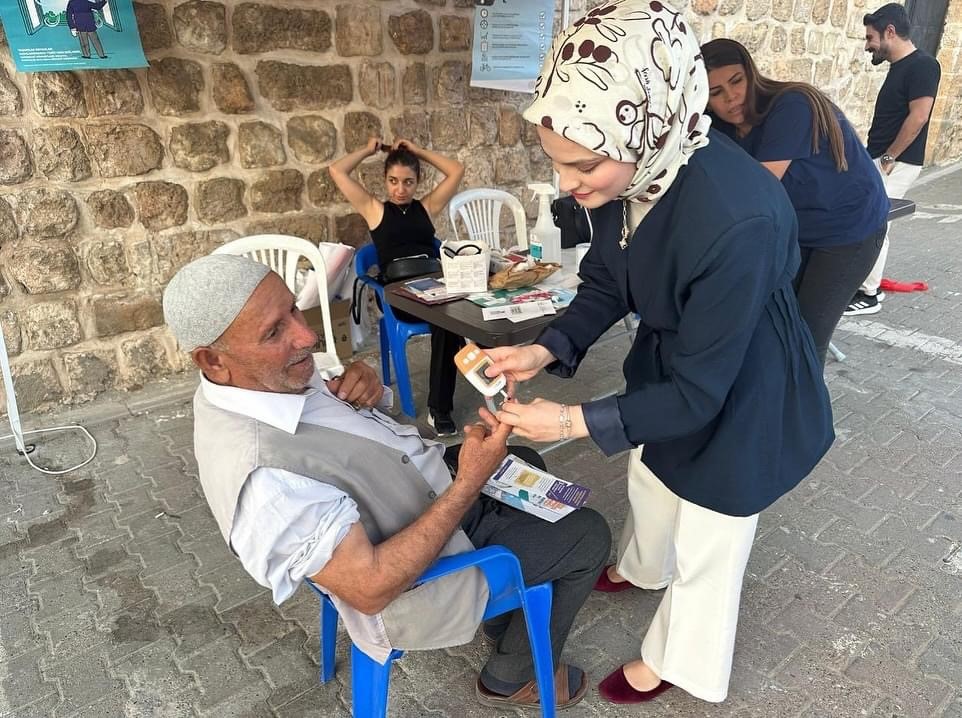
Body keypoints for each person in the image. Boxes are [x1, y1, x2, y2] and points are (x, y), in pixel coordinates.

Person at [483, 0, 834, 705]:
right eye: (557, 163)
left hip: (744, 382)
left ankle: (682, 658)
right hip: (681, 353)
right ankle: (644, 567)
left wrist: (571, 424)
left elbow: (701, 397)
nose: (567, 186)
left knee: (711, 531)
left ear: (655, 125)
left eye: (581, 166)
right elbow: (610, 274)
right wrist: (549, 346)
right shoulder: (635, 166)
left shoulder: (741, 221)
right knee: (653, 471)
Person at [161, 253, 611, 711]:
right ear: (213, 360)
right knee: (588, 535)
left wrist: (370, 391)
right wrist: (468, 481)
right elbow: (371, 588)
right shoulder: (267, 480)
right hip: (415, 578)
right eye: (274, 331)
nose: (307, 335)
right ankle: (510, 677)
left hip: (413, 492)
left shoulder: (262, 379)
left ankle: (508, 620)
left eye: (294, 309)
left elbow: (352, 432)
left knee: (527, 463)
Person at [701, 38, 889, 365]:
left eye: (736, 81)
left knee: (805, 338)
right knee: (776, 325)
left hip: (850, 230)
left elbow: (754, 190)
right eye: (716, 92)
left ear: (751, 73)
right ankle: (770, 405)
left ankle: (802, 414)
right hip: (801, 231)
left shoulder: (791, 105)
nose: (730, 97)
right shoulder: (719, 130)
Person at [329, 138, 465, 435]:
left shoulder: (426, 208)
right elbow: (337, 171)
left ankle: (440, 407)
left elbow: (456, 170)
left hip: (433, 287)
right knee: (449, 322)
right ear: (385, 181)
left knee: (455, 318)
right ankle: (441, 408)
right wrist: (367, 149)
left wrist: (419, 152)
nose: (400, 189)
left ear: (417, 183)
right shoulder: (375, 209)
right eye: (393, 181)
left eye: (408, 182)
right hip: (398, 295)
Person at [845, 3, 941, 316]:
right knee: (872, 220)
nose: (867, 45)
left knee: (876, 224)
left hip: (897, 161)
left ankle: (869, 294)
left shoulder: (923, 65)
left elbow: (919, 117)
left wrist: (888, 158)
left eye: (870, 37)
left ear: (889, 31)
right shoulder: (900, 67)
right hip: (884, 158)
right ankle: (864, 285)